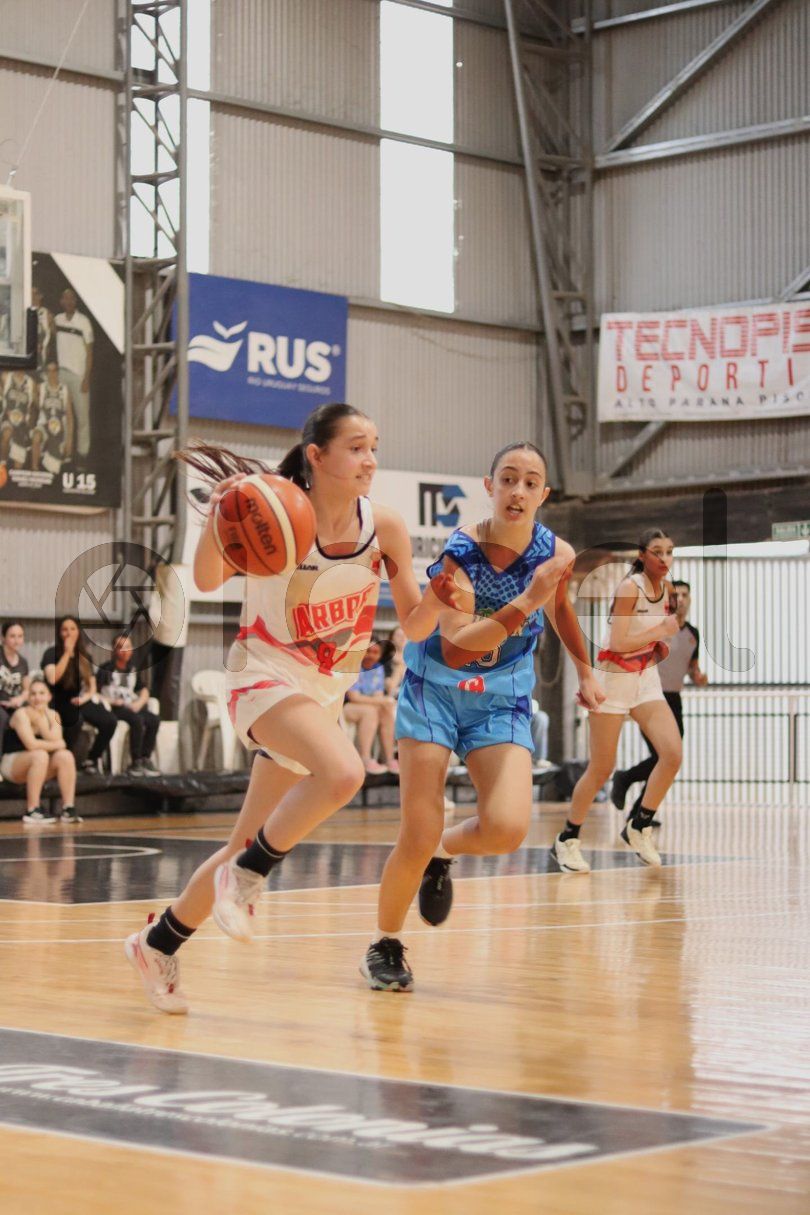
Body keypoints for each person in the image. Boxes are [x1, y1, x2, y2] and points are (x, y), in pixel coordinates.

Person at [125, 402, 455, 1014]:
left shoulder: (384, 526)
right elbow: (205, 580)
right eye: (356, 447)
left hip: (322, 692)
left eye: (374, 447)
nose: (370, 460)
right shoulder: (270, 508)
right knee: (345, 773)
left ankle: (158, 942)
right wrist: (219, 515)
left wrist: (439, 597)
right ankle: (250, 877)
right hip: (262, 676)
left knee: (242, 842)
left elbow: (413, 624)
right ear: (317, 455)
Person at [361, 441, 604, 992]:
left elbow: (561, 609)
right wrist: (528, 600)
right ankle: (385, 944)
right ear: (490, 486)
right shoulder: (462, 551)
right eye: (508, 479)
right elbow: (456, 649)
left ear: (544, 494)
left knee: (506, 829)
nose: (518, 491)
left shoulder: (556, 553)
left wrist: (586, 672)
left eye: (530, 482)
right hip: (436, 689)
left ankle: (442, 852)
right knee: (417, 828)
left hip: (500, 697)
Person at [549, 528, 682, 876]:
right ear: (642, 555)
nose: (664, 558)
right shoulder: (629, 588)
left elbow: (655, 634)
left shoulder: (667, 590)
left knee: (672, 754)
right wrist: (661, 632)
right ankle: (567, 838)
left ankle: (640, 824)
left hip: (645, 679)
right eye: (657, 551)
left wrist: (661, 640)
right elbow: (619, 642)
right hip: (613, 678)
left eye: (669, 551)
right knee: (601, 768)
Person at [611, 578, 707, 824]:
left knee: (669, 758)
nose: (681, 600)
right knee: (662, 756)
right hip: (651, 697)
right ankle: (627, 782)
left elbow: (692, 668)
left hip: (674, 699)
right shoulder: (658, 628)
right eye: (677, 595)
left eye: (685, 595)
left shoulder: (693, 634)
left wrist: (698, 677)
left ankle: (638, 812)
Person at [42, 616, 117, 774]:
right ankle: (64, 759)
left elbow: (92, 687)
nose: (69, 633)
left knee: (110, 721)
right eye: (65, 629)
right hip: (57, 701)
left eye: (72, 629)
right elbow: (52, 678)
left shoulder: (85, 656)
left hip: (79, 700)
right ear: (59, 633)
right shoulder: (51, 653)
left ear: (78, 632)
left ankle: (92, 759)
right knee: (75, 720)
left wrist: (84, 698)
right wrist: (66, 654)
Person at [2, 677, 80, 825]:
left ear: (49, 696)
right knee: (40, 755)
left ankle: (68, 809)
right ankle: (32, 810)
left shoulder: (53, 715)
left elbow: (60, 743)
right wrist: (54, 743)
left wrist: (41, 723)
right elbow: (31, 745)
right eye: (33, 694)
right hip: (12, 764)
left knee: (66, 756)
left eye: (41, 693)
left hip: (39, 765)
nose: (37, 697)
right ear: (28, 697)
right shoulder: (21, 714)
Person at [97, 634, 161, 777]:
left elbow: (144, 690)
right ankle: (135, 761)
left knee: (154, 720)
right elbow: (95, 693)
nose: (125, 651)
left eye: (127, 647)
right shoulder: (105, 670)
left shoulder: (133, 670)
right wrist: (112, 701)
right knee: (137, 720)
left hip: (132, 707)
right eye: (121, 647)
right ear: (114, 650)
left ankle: (145, 758)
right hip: (115, 708)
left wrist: (139, 703)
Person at [343, 636, 398, 774]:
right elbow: (354, 697)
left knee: (385, 710)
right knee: (371, 711)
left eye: (375, 652)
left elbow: (378, 695)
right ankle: (365, 759)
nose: (371, 655)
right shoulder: (353, 666)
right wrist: (383, 700)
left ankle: (389, 759)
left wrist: (384, 702)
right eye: (368, 651)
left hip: (367, 705)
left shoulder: (378, 668)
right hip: (347, 707)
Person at [54, 288, 93, 462]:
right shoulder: (57, 320)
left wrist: (86, 378)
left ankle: (83, 454)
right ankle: (64, 452)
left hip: (79, 375)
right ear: (61, 301)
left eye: (71, 298)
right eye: (65, 298)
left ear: (75, 301)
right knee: (62, 415)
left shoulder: (84, 322)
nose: (68, 301)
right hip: (62, 374)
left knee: (82, 417)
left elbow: (90, 352)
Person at [0, 621, 31, 774]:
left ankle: (28, 764)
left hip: (14, 704)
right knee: (1, 718)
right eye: (12, 636)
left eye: (20, 636)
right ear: (3, 638)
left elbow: (27, 690)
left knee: (31, 715)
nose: (17, 640)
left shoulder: (23, 662)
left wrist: (19, 699)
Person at [35, 361, 74, 475]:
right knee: (36, 438)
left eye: (54, 370)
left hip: (59, 430)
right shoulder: (40, 387)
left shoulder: (65, 390)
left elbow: (70, 417)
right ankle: (34, 472)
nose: (52, 374)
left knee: (54, 470)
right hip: (44, 426)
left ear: (58, 372)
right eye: (49, 371)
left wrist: (69, 441)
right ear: (46, 373)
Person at [0, 369, 39, 469]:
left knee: (18, 466)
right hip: (7, 419)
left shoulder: (31, 383)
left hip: (22, 424)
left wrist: (31, 422)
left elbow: (38, 405)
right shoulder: (6, 376)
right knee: (7, 433)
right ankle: (2, 464)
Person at [384, 625, 407, 698]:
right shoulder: (386, 659)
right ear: (391, 639)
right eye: (399, 635)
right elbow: (388, 686)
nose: (403, 638)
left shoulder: (415, 658)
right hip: (392, 695)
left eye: (405, 635)